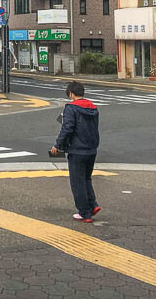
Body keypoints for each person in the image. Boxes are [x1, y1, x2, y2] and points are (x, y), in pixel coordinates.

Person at [50, 81, 100, 223]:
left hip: (77, 150)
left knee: (77, 182)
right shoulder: (93, 107)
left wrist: (58, 145)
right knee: (86, 178)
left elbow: (67, 128)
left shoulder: (71, 108)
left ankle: (84, 212)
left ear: (71, 93)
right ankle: (93, 205)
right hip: (91, 149)